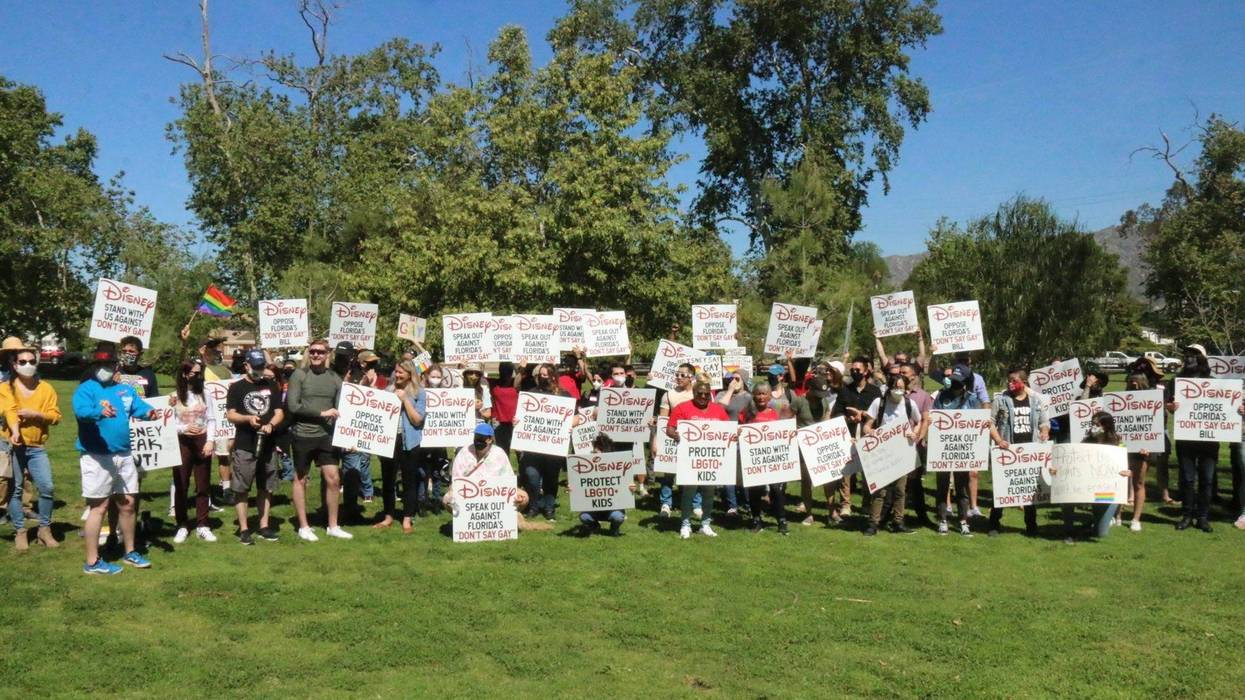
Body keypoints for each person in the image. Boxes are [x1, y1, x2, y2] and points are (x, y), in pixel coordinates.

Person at [74, 349, 160, 574]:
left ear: (116, 365)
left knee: (128, 503)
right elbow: (81, 412)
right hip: (96, 456)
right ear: (94, 366)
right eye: (100, 364)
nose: (105, 368)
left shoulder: (125, 389)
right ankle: (92, 562)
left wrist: (150, 413)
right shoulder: (86, 389)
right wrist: (99, 411)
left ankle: (129, 551)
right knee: (99, 507)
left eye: (109, 363)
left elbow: (139, 408)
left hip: (124, 455)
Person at [286, 338, 351, 541]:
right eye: (312, 351)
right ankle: (303, 526)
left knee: (333, 479)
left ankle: (333, 525)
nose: (316, 355)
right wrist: (323, 413)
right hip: (302, 434)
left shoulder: (335, 378)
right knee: (301, 478)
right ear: (308, 353)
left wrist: (351, 434)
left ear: (327, 354)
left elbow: (344, 409)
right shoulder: (299, 375)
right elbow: (293, 406)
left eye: (320, 352)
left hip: (326, 436)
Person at [1, 343, 61, 550]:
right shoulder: (5, 387)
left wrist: (37, 415)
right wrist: (15, 431)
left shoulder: (46, 388)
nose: (28, 365)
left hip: (37, 447)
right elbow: (9, 410)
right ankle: (20, 531)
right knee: (15, 490)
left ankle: (44, 530)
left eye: (32, 361)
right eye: (23, 362)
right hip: (14, 446)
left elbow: (56, 416)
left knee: (47, 487)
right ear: (14, 365)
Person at [930, 364, 1002, 536]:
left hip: (964, 450)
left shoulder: (972, 399)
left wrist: (997, 438)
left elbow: (983, 420)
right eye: (953, 380)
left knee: (962, 487)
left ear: (966, 383)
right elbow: (933, 417)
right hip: (943, 450)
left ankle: (963, 521)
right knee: (942, 486)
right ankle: (942, 520)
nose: (955, 384)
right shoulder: (941, 396)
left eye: (959, 381)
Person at [226, 349, 284, 545]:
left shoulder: (271, 385)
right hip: (245, 443)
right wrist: (248, 418)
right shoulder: (236, 388)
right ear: (246, 366)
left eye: (262, 367)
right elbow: (231, 414)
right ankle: (243, 529)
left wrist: (271, 424)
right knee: (241, 487)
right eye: (256, 367)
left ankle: (264, 525)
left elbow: (279, 412)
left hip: (268, 443)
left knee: (266, 487)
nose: (259, 371)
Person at [986, 367, 1050, 537]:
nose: (1010, 383)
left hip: (1029, 453)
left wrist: (1044, 432)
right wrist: (999, 440)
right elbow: (990, 423)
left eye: (1014, 380)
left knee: (1030, 491)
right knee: (1001, 490)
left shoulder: (1036, 401)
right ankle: (994, 523)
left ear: (1024, 382)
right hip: (1007, 451)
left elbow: (1044, 422)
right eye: (1009, 380)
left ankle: (1031, 526)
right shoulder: (1001, 400)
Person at [861, 373, 925, 535]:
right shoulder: (879, 403)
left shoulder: (909, 404)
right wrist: (874, 433)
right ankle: (873, 523)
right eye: (895, 387)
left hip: (902, 452)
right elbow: (866, 426)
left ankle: (898, 521)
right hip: (882, 452)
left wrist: (914, 433)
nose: (898, 391)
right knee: (879, 490)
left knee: (900, 489)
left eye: (901, 388)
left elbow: (919, 422)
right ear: (889, 387)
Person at [666, 380, 729, 539]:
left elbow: (728, 430)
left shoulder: (718, 410)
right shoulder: (682, 408)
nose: (702, 396)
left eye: (706, 393)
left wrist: (735, 434)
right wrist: (676, 434)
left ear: (710, 394)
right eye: (699, 393)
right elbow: (669, 428)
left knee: (709, 492)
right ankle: (685, 524)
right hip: (691, 459)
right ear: (693, 393)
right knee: (689, 491)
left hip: (711, 460)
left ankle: (705, 524)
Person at [1057, 411, 1132, 544]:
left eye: (1096, 424)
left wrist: (1127, 473)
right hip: (1085, 489)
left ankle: (1093, 523)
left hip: (1105, 493)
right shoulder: (1084, 443)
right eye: (1092, 424)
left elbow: (1125, 467)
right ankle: (1069, 531)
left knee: (1100, 534)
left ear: (1106, 426)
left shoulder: (1118, 445)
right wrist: (1058, 469)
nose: (1093, 427)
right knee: (1066, 497)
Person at [1165, 344, 1217, 533]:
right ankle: (1187, 515)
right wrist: (1171, 407)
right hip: (1186, 438)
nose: (1190, 358)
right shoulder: (1177, 381)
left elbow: (1225, 408)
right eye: (1188, 354)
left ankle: (1202, 517)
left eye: (1195, 355)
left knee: (1207, 479)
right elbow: (1169, 405)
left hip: (1209, 440)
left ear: (1202, 358)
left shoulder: (1213, 382)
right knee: (1187, 479)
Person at [374, 360, 426, 534]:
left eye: (401, 372)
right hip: (388, 441)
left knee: (409, 480)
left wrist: (405, 400)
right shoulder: (388, 390)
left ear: (410, 374)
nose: (397, 375)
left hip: (409, 441)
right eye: (396, 372)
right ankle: (388, 516)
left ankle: (406, 519)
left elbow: (417, 420)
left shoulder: (419, 392)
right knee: (388, 480)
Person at [170, 360, 217, 543]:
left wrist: (210, 441)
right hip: (182, 442)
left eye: (200, 373)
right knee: (181, 483)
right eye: (194, 373)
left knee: (203, 484)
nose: (197, 377)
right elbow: (168, 421)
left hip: (202, 440)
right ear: (184, 374)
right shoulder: (175, 397)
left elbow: (211, 418)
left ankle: (203, 524)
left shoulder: (205, 394)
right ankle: (182, 524)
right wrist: (182, 429)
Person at [442, 423, 530, 513]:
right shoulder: (464, 452)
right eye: (476, 436)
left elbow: (509, 479)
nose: (478, 440)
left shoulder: (499, 453)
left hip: (495, 494)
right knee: (447, 499)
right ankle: (464, 521)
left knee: (524, 496)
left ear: (490, 439)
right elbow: (456, 481)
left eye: (482, 438)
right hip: (468, 494)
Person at [740, 383, 792, 535]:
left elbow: (785, 431)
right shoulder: (747, 413)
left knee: (776, 490)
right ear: (753, 396)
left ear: (770, 396)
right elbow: (739, 428)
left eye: (764, 394)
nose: (761, 397)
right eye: (758, 394)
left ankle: (781, 520)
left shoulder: (777, 412)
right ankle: (756, 519)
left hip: (773, 459)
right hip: (754, 459)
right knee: (755, 490)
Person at [519, 363, 568, 521]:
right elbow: (523, 416)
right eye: (540, 374)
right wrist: (517, 422)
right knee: (531, 475)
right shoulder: (531, 394)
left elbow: (576, 417)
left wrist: (568, 424)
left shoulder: (563, 395)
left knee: (551, 478)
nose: (543, 377)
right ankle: (534, 505)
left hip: (553, 446)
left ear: (554, 376)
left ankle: (549, 507)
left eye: (546, 374)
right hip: (533, 447)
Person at [840, 355, 883, 517]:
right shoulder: (845, 390)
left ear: (866, 371)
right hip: (849, 435)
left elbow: (879, 413)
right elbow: (837, 411)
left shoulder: (875, 391)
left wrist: (863, 414)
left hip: (867, 436)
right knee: (846, 473)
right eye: (852, 370)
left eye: (858, 370)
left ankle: (866, 504)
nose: (855, 372)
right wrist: (848, 417)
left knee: (868, 473)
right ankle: (845, 505)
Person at [653, 363, 696, 518]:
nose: (678, 377)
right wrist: (656, 440)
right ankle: (666, 504)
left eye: (682, 375)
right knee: (668, 472)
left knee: (692, 472)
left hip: (692, 438)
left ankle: (695, 504)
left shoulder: (698, 393)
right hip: (671, 437)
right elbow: (663, 420)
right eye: (677, 374)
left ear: (691, 377)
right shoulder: (668, 395)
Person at [899, 361, 935, 527]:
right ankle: (895, 515)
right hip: (896, 444)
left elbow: (925, 420)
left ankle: (921, 515)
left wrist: (919, 438)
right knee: (898, 483)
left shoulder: (923, 396)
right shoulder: (894, 394)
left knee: (914, 482)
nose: (900, 375)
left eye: (904, 372)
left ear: (913, 376)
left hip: (915, 445)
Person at [577, 434, 631, 536]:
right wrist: (573, 489)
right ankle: (594, 526)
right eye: (594, 451)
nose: (593, 453)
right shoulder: (587, 469)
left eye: (596, 451)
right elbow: (582, 487)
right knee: (584, 516)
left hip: (612, 509)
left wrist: (630, 488)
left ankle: (614, 528)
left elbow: (624, 488)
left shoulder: (617, 468)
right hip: (594, 508)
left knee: (618, 517)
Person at [1121, 372, 1154, 532]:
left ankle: (1136, 519)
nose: (1133, 385)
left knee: (1139, 483)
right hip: (1121, 448)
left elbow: (1156, 427)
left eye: (1137, 382)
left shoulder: (1152, 401)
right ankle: (1117, 516)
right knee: (1119, 482)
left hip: (1142, 450)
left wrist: (1150, 446)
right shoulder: (1119, 401)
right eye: (1130, 382)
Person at [491, 362, 518, 452]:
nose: (505, 373)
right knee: (501, 451)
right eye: (503, 371)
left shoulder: (517, 383)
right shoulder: (493, 383)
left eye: (508, 371)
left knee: (519, 450)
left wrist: (520, 368)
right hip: (499, 422)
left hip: (515, 421)